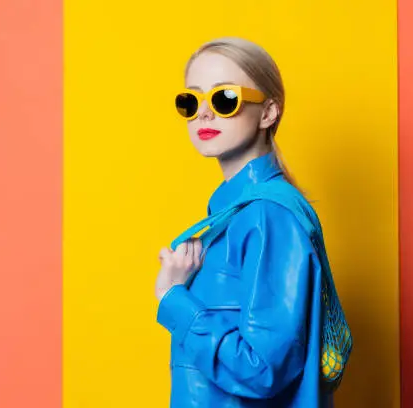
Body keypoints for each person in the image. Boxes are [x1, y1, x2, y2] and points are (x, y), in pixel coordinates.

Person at [155, 36, 336, 408]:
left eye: (224, 98)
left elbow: (263, 369)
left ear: (268, 112)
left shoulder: (268, 216)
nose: (204, 113)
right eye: (191, 101)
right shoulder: (232, 216)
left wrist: (175, 299)